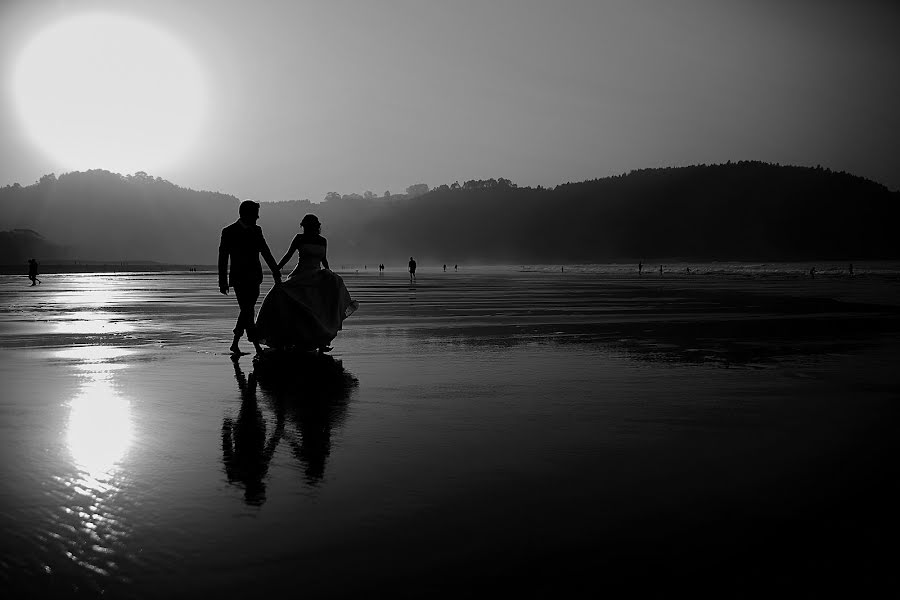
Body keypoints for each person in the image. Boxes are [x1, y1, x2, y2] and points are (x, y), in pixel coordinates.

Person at [255, 214, 359, 352]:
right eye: (307, 226)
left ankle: (321, 339)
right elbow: (288, 255)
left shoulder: (322, 241)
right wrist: (276, 269)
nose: (309, 228)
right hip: (300, 275)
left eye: (311, 226)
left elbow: (324, 260)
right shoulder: (299, 238)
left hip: (317, 275)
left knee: (319, 309)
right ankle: (295, 337)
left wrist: (329, 273)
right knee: (298, 307)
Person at [219, 200, 282, 355]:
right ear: (247, 214)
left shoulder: (257, 231)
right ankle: (256, 346)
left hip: (254, 277)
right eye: (255, 215)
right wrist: (223, 282)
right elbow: (223, 258)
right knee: (247, 310)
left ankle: (235, 342)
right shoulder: (229, 231)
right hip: (239, 278)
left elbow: (265, 252)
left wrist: (275, 271)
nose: (257, 217)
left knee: (247, 310)